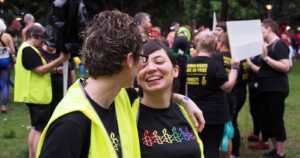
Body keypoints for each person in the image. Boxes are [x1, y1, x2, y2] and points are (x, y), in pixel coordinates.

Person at [36, 10, 204, 158]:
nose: (145, 67)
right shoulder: (71, 124)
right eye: (142, 59)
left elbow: (158, 94)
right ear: (130, 60)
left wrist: (185, 101)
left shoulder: (119, 97)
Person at [133, 41, 204, 158]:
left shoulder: (185, 112)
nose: (150, 68)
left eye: (159, 61)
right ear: (138, 77)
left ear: (175, 71)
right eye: (143, 65)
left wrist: (184, 100)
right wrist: (183, 98)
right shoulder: (127, 111)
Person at [14, 24, 69, 158]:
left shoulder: (26, 49)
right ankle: (38, 155)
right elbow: (40, 70)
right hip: (37, 96)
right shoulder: (28, 50)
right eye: (41, 39)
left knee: (35, 128)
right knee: (40, 130)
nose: (42, 42)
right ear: (33, 36)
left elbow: (36, 68)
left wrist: (55, 70)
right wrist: (60, 60)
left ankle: (32, 156)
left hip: (34, 95)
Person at [186, 31, 239, 158]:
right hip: (215, 114)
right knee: (212, 147)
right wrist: (235, 68)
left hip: (194, 111)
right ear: (215, 46)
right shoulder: (216, 65)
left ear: (197, 46)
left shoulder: (188, 63)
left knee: (197, 145)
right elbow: (227, 87)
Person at [248, 19, 290, 158]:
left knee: (276, 119)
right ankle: (275, 149)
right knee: (267, 120)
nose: (259, 32)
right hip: (265, 88)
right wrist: (249, 62)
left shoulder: (279, 45)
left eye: (261, 29)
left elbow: (286, 67)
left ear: (269, 29)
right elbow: (263, 70)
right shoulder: (267, 46)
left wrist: (266, 59)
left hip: (276, 89)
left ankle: (281, 152)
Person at [39, 41, 76, 114]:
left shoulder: (63, 52)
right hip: (48, 89)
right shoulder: (40, 53)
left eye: (54, 46)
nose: (53, 48)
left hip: (65, 87)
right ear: (45, 43)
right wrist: (56, 70)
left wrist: (74, 86)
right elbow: (39, 70)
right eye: (50, 46)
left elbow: (72, 69)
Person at [0, 18, 16, 113]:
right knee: (5, 84)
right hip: (5, 60)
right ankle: (4, 107)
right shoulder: (7, 36)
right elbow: (13, 51)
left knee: (2, 83)